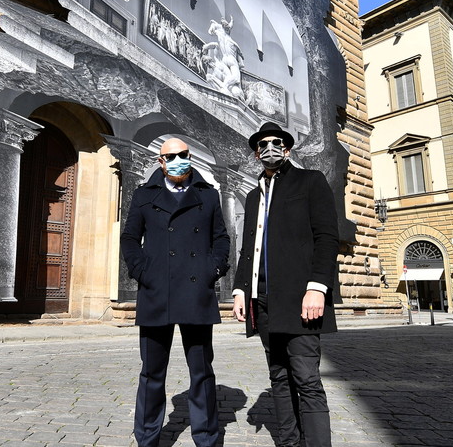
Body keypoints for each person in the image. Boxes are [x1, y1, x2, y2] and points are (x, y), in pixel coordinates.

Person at [232, 122, 341, 447]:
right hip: (263, 301)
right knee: (278, 376)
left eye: (276, 142)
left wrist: (317, 287)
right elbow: (248, 247)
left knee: (306, 379)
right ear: (256, 152)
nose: (269, 148)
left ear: (288, 149)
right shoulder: (253, 197)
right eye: (263, 144)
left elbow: (326, 237)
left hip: (300, 299)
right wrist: (240, 289)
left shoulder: (310, 182)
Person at [121, 138, 231, 447]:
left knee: (201, 371)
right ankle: (147, 439)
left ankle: (207, 438)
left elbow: (221, 238)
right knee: (152, 373)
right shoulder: (144, 195)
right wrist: (143, 270)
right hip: (157, 291)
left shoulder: (208, 196)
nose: (178, 160)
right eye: (170, 156)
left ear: (190, 157)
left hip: (196, 292)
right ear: (160, 161)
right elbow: (130, 238)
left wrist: (213, 269)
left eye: (183, 155)